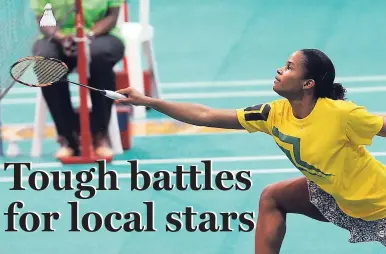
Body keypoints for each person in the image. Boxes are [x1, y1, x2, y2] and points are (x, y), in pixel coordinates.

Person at [115, 48, 386, 253]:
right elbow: (206, 115)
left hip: (380, 204)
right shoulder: (273, 113)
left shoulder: (340, 114)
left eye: (289, 67)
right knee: (273, 197)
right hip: (337, 196)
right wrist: (147, 101)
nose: (280, 70)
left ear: (308, 83)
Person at [30, 0, 125, 159]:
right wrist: (61, 38)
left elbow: (112, 16)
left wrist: (87, 36)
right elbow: (43, 19)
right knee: (46, 60)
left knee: (98, 57)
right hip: (58, 37)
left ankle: (99, 135)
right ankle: (67, 138)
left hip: (100, 35)